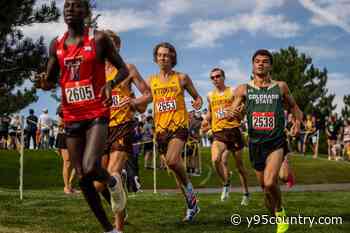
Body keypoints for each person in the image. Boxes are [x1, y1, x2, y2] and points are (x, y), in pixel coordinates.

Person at [35, 1, 130, 232]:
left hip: (96, 111)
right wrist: (42, 82)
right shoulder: (56, 44)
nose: (69, 9)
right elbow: (49, 80)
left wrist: (110, 84)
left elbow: (123, 69)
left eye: (76, 6)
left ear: (86, 13)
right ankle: (110, 229)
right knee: (82, 177)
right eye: (67, 5)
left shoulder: (98, 39)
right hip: (72, 114)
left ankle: (111, 180)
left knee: (89, 167)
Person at [227, 49, 303, 233]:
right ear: (253, 65)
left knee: (270, 182)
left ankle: (281, 212)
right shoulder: (243, 89)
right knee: (265, 189)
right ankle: (275, 210)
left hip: (275, 141)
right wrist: (234, 113)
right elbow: (231, 114)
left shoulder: (280, 87)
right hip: (255, 143)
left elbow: (294, 107)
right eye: (257, 61)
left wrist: (297, 122)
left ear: (270, 66)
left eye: (265, 61)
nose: (261, 64)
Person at [94, 29, 150, 233]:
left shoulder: (128, 69)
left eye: (111, 44)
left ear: (117, 47)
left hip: (123, 127)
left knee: (112, 174)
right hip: (100, 130)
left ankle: (118, 229)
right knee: (97, 184)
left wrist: (135, 101)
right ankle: (120, 202)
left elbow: (147, 95)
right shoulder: (95, 72)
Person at [146, 42, 202, 222]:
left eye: (167, 55)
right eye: (160, 55)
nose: (163, 58)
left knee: (171, 159)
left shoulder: (182, 78)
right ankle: (191, 205)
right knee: (174, 168)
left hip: (179, 126)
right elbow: (142, 101)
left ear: (172, 58)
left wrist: (198, 102)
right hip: (160, 130)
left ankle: (191, 191)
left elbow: (197, 97)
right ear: (156, 58)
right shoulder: (151, 81)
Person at [201, 67, 250, 205]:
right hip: (219, 133)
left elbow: (241, 115)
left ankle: (246, 193)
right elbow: (211, 112)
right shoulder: (210, 95)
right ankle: (226, 183)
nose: (215, 79)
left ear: (223, 77)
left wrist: (238, 113)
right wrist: (205, 121)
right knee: (216, 159)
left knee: (240, 166)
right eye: (212, 77)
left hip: (234, 131)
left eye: (217, 76)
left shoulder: (233, 92)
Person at [56, 106, 76, 194]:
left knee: (77, 163)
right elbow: (60, 124)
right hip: (64, 136)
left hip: (76, 135)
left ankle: (70, 185)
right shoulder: (62, 108)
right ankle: (66, 187)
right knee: (67, 162)